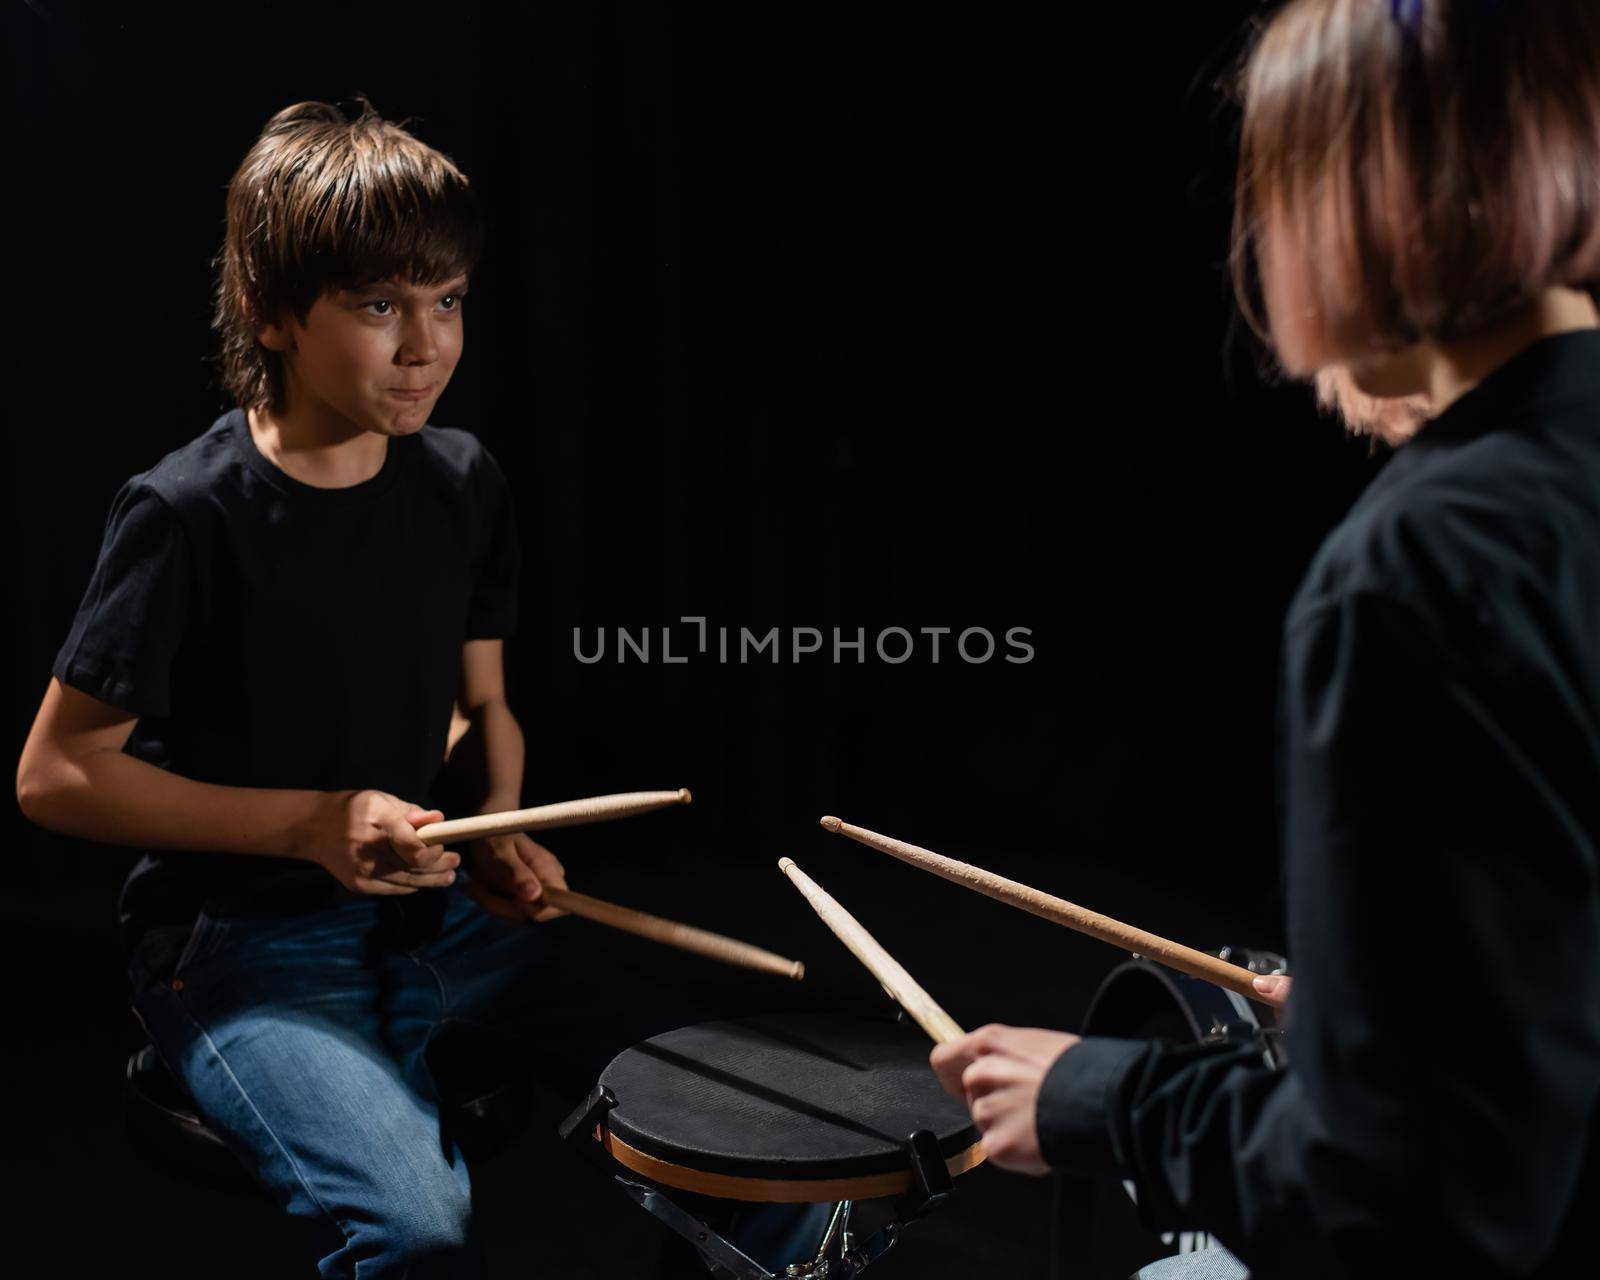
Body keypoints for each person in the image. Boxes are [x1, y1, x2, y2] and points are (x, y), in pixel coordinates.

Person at [16, 100, 822, 1278]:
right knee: (414, 1231)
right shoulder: (187, 512)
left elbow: (477, 705)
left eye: (447, 301)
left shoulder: (459, 479)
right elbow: (54, 774)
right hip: (242, 941)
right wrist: (311, 822)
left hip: (432, 910)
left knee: (756, 1141)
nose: (426, 344)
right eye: (379, 304)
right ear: (270, 313)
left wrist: (503, 832)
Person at [929, 3, 1600, 1276]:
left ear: (1360, 199)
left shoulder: (1425, 564)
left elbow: (1406, 1194)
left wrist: (1102, 1100)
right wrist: (1365, 1010)